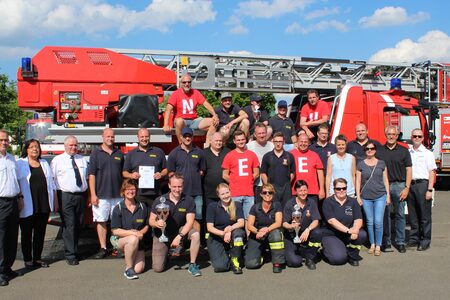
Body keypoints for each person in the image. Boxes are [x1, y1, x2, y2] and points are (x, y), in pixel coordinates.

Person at [149, 173, 202, 277]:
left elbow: (190, 222)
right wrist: (156, 223)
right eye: (174, 186)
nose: (177, 189)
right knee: (158, 268)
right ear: (169, 185)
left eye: (179, 186)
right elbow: (150, 220)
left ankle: (192, 264)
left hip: (180, 231)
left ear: (183, 186)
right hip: (162, 234)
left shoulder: (189, 200)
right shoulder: (159, 200)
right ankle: (167, 253)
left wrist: (180, 236)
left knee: (196, 234)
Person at [17, 139, 56, 269]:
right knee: (27, 234)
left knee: (40, 233)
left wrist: (54, 200)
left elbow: (51, 183)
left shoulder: (44, 163)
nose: (35, 149)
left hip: (43, 204)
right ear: (26, 149)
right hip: (27, 203)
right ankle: (28, 259)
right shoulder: (20, 163)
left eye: (37, 147)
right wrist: (19, 198)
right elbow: (17, 183)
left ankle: (37, 259)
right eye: (32, 147)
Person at [51, 135, 89, 266]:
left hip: (81, 195)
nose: (73, 148)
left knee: (79, 224)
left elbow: (86, 179)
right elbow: (53, 181)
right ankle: (70, 254)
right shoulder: (57, 160)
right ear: (65, 146)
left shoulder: (82, 159)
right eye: (71, 145)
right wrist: (55, 200)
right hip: (65, 196)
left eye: (75, 145)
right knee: (70, 224)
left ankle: (75, 249)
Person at [88, 128, 124, 259]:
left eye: (112, 136)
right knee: (101, 221)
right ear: (102, 137)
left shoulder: (119, 153)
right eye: (108, 136)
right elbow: (92, 175)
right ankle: (103, 247)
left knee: (117, 223)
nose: (110, 138)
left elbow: (123, 174)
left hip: (118, 195)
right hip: (101, 195)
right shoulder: (95, 153)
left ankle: (117, 247)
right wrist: (93, 194)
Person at [377, 125, 412, 253]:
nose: (391, 136)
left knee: (400, 215)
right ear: (385, 135)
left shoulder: (404, 151)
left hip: (399, 186)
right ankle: (386, 242)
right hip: (384, 187)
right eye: (389, 134)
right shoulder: (379, 151)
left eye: (393, 134)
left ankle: (400, 241)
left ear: (397, 136)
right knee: (385, 215)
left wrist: (407, 187)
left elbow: (409, 170)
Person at [163, 73, 219, 145]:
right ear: (181, 84)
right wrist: (166, 124)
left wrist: (214, 115)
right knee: (179, 121)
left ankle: (208, 146)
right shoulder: (175, 94)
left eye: (189, 82)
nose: (187, 84)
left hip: (194, 121)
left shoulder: (195, 92)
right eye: (184, 82)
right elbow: (168, 109)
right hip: (182, 122)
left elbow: (206, 104)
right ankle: (181, 145)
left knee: (213, 121)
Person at [321, 178, 367, 266]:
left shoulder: (353, 201)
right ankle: (324, 251)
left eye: (344, 188)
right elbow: (331, 221)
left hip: (348, 234)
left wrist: (355, 229)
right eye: (338, 189)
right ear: (334, 189)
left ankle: (352, 255)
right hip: (332, 235)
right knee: (338, 259)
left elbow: (358, 219)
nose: (341, 190)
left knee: (362, 234)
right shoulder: (328, 202)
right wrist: (349, 231)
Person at [355, 142, 390, 256]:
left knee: (378, 222)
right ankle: (372, 244)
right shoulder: (360, 164)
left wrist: (388, 195)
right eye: (367, 149)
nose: (369, 150)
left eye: (372, 148)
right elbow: (358, 181)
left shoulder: (382, 163)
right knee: (370, 222)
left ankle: (378, 245)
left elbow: (385, 180)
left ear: (375, 150)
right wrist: (358, 196)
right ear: (365, 150)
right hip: (366, 197)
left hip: (380, 195)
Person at [110, 179, 149, 280]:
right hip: (119, 240)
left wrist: (140, 233)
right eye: (127, 189)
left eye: (133, 189)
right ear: (123, 191)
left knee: (139, 269)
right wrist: (132, 233)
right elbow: (115, 231)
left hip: (138, 240)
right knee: (132, 239)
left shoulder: (142, 206)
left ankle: (132, 259)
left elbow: (147, 225)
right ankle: (128, 269)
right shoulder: (118, 208)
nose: (130, 191)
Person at [167, 127, 205, 224]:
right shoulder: (174, 153)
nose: (187, 138)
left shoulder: (199, 152)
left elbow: (202, 171)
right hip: (180, 193)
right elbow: (170, 173)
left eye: (189, 136)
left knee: (197, 218)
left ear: (193, 137)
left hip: (197, 193)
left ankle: (197, 239)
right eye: (185, 136)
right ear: (181, 137)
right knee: (181, 219)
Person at [407, 129, 437, 251]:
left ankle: (425, 240)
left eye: (419, 136)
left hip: (423, 184)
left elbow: (432, 172)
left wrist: (429, 189)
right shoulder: (408, 152)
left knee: (424, 215)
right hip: (410, 184)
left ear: (423, 138)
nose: (417, 138)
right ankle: (414, 238)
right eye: (415, 136)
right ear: (411, 137)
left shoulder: (427, 153)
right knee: (412, 214)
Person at [245, 183, 285, 273]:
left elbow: (278, 223)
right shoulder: (255, 207)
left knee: (276, 234)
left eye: (270, 192)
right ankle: (262, 254)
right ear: (261, 194)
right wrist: (258, 231)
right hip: (257, 235)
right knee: (251, 264)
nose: (267, 194)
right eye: (265, 192)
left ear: (273, 194)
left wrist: (267, 229)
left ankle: (277, 263)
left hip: (271, 233)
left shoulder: (277, 205)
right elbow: (249, 225)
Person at [122, 128, 167, 208]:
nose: (144, 139)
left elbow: (166, 169)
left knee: (154, 218)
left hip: (155, 193)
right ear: (138, 137)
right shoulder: (131, 154)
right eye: (142, 137)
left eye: (146, 136)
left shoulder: (159, 152)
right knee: (139, 218)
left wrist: (161, 174)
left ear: (150, 137)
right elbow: (124, 173)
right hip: (137, 193)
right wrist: (132, 175)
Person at [206, 183, 245, 274]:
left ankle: (235, 260)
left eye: (227, 192)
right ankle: (228, 255)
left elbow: (241, 222)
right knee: (220, 267)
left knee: (238, 234)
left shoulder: (237, 205)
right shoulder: (212, 206)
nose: (225, 195)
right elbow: (210, 227)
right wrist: (223, 233)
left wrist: (230, 229)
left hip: (233, 234)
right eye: (222, 194)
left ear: (230, 192)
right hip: (217, 237)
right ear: (218, 195)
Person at [0, 129, 22, 286]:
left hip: (13, 202)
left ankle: (8, 267)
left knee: (12, 236)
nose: (4, 143)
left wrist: (20, 197)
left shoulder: (12, 159)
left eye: (6, 140)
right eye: (1, 140)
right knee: (0, 239)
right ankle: (0, 272)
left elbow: (17, 181)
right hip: (0, 203)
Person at [283, 180, 321, 270]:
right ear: (296, 191)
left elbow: (316, 220)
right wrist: (291, 226)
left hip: (306, 235)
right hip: (292, 236)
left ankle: (310, 258)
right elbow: (284, 223)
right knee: (295, 262)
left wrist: (308, 229)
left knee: (318, 233)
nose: (303, 193)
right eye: (300, 191)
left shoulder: (311, 202)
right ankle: (300, 251)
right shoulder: (290, 204)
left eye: (305, 190)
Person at [222, 130, 260, 219]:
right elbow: (224, 175)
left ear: (245, 140)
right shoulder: (229, 155)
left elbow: (257, 173)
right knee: (234, 218)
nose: (241, 142)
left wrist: (249, 180)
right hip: (235, 193)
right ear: (234, 141)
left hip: (249, 193)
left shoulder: (252, 155)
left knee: (249, 219)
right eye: (238, 140)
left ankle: (248, 234)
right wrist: (234, 182)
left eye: (242, 139)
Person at [260, 132, 295, 207]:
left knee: (286, 210)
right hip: (272, 188)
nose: (278, 144)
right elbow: (263, 173)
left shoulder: (289, 156)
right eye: (276, 141)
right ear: (273, 142)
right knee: (273, 209)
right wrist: (268, 186)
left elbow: (293, 172)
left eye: (280, 141)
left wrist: (287, 182)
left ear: (284, 142)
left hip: (286, 188)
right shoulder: (267, 156)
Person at [290, 133, 325, 202]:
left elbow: (320, 173)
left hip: (312, 192)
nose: (303, 144)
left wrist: (322, 189)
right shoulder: (291, 154)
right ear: (297, 142)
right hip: (295, 191)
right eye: (301, 141)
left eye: (305, 142)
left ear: (309, 143)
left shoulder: (314, 155)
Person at [246, 123, 274, 203]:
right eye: (259, 133)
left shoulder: (272, 146)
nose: (262, 135)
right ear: (255, 134)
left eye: (263, 133)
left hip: (269, 182)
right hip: (255, 183)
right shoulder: (248, 147)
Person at [203, 132, 230, 207]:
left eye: (220, 141)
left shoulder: (228, 152)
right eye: (216, 141)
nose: (218, 143)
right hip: (209, 193)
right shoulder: (204, 153)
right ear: (211, 141)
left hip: (226, 193)